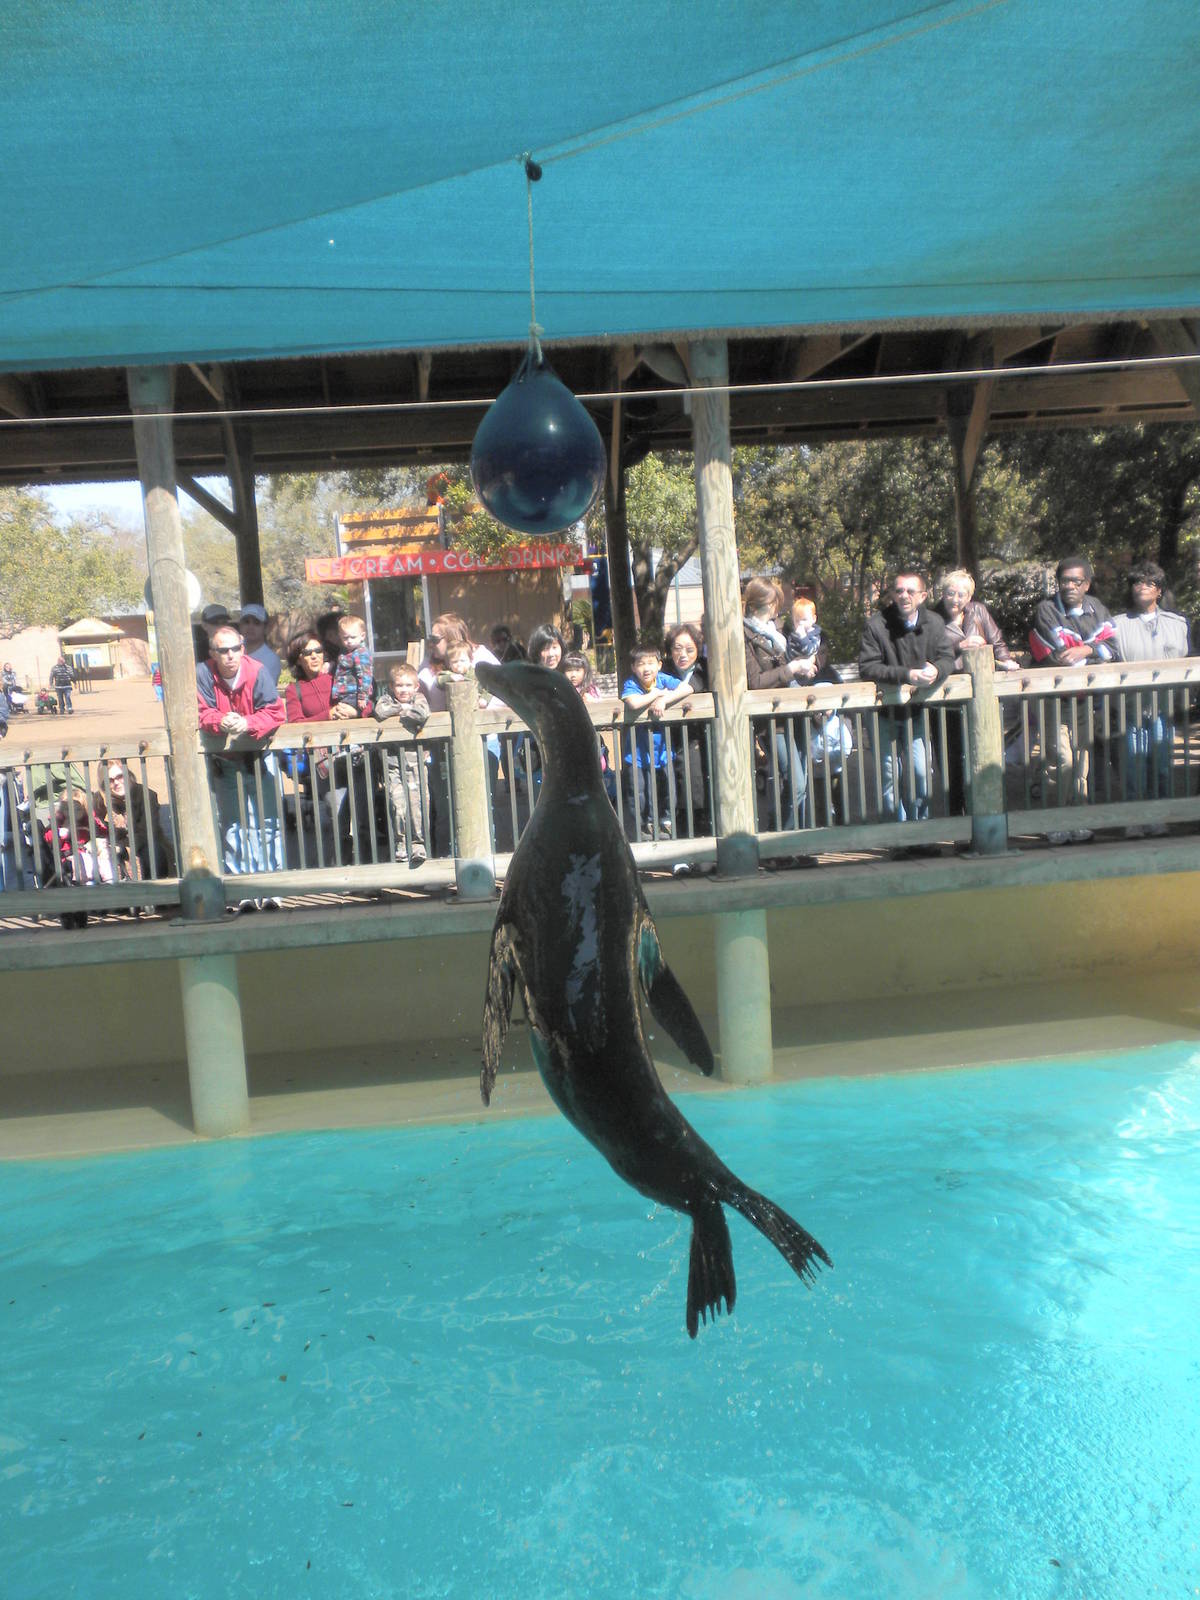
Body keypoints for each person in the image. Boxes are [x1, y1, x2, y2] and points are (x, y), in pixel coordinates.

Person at [858, 570, 955, 842]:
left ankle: (921, 836)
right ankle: (895, 838)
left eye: (911, 591)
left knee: (920, 772)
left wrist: (937, 670)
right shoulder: (876, 625)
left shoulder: (935, 623)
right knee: (889, 775)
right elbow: (867, 667)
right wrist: (908, 675)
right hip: (882, 714)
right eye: (899, 590)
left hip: (918, 712)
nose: (904, 596)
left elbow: (948, 657)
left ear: (923, 596)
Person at [1029, 555, 1118, 844]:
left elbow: (1113, 647)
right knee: (1062, 759)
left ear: (1087, 584)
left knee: (1082, 760)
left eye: (1075, 581)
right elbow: (1054, 652)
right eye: (1064, 580)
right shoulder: (1045, 610)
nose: (1069, 586)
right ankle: (1055, 821)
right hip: (1054, 699)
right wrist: (1094, 648)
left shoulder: (1098, 608)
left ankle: (1078, 819)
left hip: (1086, 699)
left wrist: (1086, 651)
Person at [197, 624, 285, 904]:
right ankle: (242, 891)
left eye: (235, 648)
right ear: (213, 653)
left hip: (260, 756)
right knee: (234, 827)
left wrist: (247, 723)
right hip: (226, 760)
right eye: (222, 650)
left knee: (268, 824)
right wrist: (218, 720)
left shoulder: (258, 670)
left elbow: (274, 711)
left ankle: (272, 890)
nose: (230, 655)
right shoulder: (202, 673)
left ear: (242, 649)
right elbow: (201, 711)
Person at [932, 569, 1020, 815]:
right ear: (943, 594)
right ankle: (957, 818)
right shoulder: (931, 618)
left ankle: (984, 814)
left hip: (979, 697)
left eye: (962, 594)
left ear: (970, 596)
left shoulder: (978, 611)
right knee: (951, 762)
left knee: (980, 754)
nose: (956, 599)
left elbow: (997, 641)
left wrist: (1006, 661)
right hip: (946, 700)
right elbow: (928, 651)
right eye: (951, 593)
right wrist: (960, 645)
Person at [1111, 560, 1190, 827]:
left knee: (1162, 766)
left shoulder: (1177, 623)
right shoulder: (1117, 624)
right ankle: (1135, 820)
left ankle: (1160, 819)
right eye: (1136, 582)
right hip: (1130, 708)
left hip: (1164, 709)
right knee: (1133, 767)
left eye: (1149, 582)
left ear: (1159, 590)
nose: (1141, 587)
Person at [418, 614, 501, 854]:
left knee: (484, 807)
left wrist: (480, 705)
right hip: (441, 746)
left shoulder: (481, 656)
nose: (431, 643)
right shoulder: (428, 665)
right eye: (429, 638)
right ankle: (447, 866)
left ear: (453, 635)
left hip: (483, 740)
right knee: (445, 808)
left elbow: (503, 691)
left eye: (435, 638)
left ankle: (485, 866)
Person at [282, 630, 363, 867]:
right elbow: (295, 724)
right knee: (336, 815)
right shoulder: (293, 690)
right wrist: (326, 715)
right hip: (324, 763)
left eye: (318, 651)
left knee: (362, 813)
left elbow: (363, 705)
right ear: (298, 658)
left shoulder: (337, 678)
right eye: (308, 652)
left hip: (355, 754)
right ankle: (341, 867)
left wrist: (354, 711)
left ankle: (368, 871)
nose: (315, 656)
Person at [743, 578, 810, 829]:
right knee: (796, 782)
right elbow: (755, 682)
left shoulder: (777, 631)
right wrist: (791, 669)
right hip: (771, 718)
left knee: (797, 781)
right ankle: (783, 841)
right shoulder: (745, 635)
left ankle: (794, 841)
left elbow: (788, 669)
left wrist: (804, 668)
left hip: (795, 712)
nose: (776, 610)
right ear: (756, 604)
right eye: (773, 603)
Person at [620, 644, 694, 841]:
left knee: (666, 787)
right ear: (634, 667)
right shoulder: (631, 683)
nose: (646, 668)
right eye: (641, 664)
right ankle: (644, 825)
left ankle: (666, 821)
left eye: (651, 663)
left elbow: (687, 687)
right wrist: (655, 695)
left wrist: (664, 700)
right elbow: (633, 703)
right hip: (636, 752)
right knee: (639, 792)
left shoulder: (663, 679)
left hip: (662, 749)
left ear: (659, 665)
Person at [373, 662, 430, 867]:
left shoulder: (420, 699)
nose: (403, 690)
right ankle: (401, 843)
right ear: (391, 687)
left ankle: (418, 844)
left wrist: (404, 712)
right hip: (393, 764)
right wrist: (402, 708)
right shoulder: (386, 699)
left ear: (416, 687)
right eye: (399, 686)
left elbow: (422, 713)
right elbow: (380, 711)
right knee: (398, 804)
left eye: (408, 686)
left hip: (415, 763)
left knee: (417, 804)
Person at [94, 759, 176, 882]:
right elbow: (96, 827)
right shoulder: (100, 800)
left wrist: (123, 846)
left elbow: (148, 832)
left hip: (146, 845)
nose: (116, 783)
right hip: (112, 848)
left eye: (119, 776)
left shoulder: (146, 795)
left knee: (152, 851)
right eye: (110, 780)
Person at [330, 615, 373, 717]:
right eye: (345, 638)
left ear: (362, 636)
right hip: (344, 694)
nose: (349, 641)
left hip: (354, 695)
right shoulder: (346, 652)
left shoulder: (361, 653)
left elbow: (365, 676)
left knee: (342, 714)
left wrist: (362, 696)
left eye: (353, 637)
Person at [238, 603, 281, 684]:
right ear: (240, 626)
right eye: (246, 622)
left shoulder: (271, 659)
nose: (251, 627)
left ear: (265, 628)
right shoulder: (231, 651)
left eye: (256, 623)